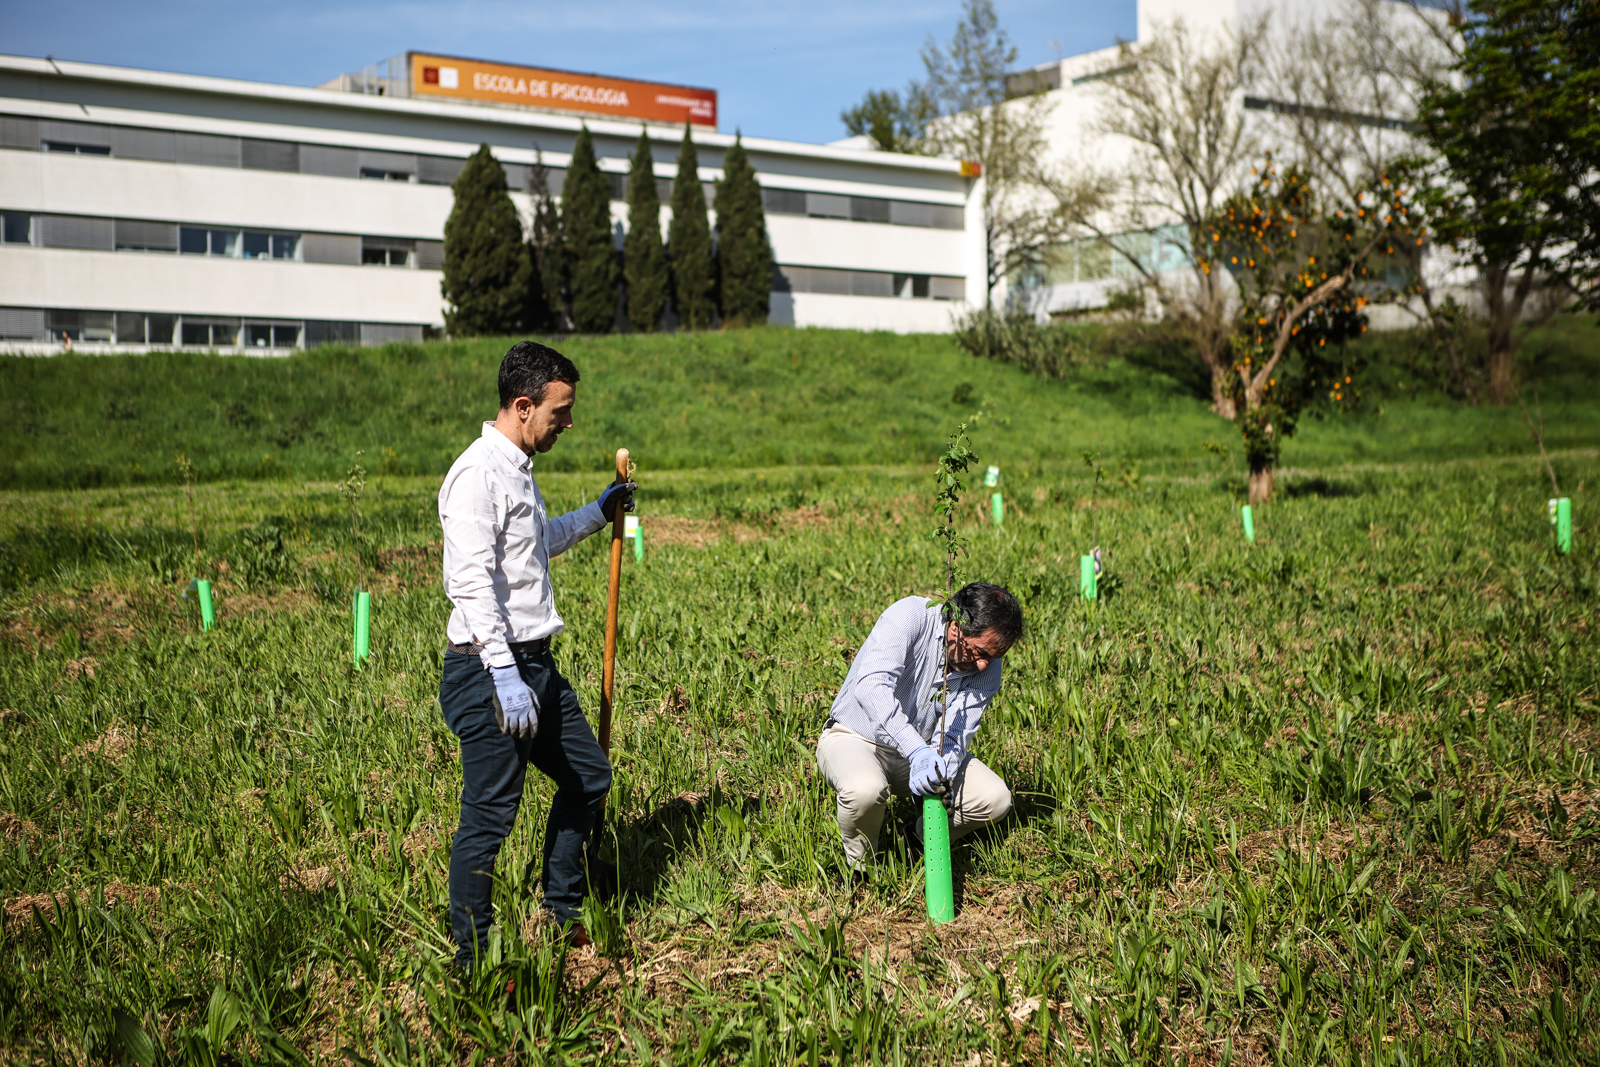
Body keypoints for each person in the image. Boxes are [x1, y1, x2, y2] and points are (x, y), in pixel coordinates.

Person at [436, 340, 635, 965]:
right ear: (524, 406)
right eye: (560, 411)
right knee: (490, 819)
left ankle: (560, 911)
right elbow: (471, 583)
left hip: (534, 666)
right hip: (488, 667)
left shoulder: (517, 469)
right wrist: (502, 673)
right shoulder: (476, 474)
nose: (568, 423)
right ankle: (478, 962)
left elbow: (530, 548)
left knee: (589, 776)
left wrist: (598, 515)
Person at [815, 582, 1023, 874]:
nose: (982, 665)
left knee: (994, 798)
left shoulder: (988, 668)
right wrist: (915, 750)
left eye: (993, 656)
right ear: (956, 628)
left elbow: (955, 735)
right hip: (855, 737)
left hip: (919, 753)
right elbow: (871, 686)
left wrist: (941, 775)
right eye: (979, 652)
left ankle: (915, 840)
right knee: (865, 789)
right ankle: (861, 869)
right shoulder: (910, 616)